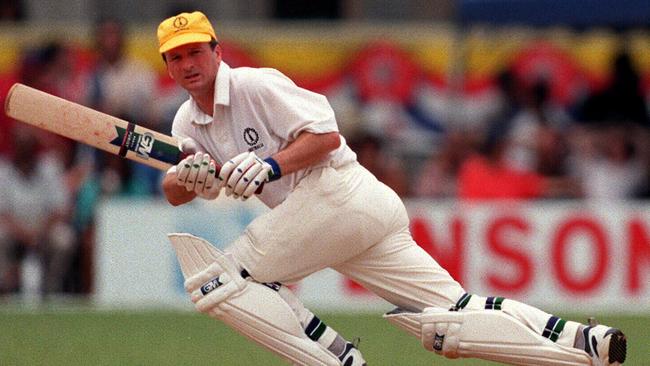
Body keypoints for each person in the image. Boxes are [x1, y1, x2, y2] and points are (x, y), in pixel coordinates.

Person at [158, 11, 627, 366]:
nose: (189, 63)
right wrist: (186, 177)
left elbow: (327, 136)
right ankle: (581, 345)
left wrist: (269, 165)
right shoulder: (185, 121)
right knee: (453, 316)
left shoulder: (254, 86)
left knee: (219, 283)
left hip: (337, 193)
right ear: (168, 66)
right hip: (343, 214)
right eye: (177, 57)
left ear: (218, 52)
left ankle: (340, 357)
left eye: (197, 51)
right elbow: (175, 188)